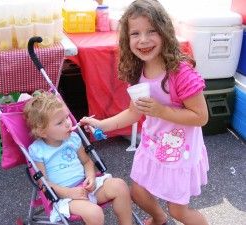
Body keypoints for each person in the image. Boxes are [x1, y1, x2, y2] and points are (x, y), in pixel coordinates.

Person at [80, 0, 209, 225]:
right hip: (153, 146)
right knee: (138, 192)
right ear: (126, 39)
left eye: (152, 31)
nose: (143, 40)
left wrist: (161, 111)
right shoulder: (139, 70)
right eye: (135, 33)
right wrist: (100, 124)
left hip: (179, 153)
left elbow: (201, 117)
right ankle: (159, 218)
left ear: (165, 32)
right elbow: (132, 113)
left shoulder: (180, 73)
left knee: (179, 211)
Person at [23, 92, 133, 225]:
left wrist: (91, 176)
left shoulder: (73, 139)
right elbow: (44, 183)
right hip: (65, 198)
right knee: (95, 213)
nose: (68, 124)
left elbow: (86, 161)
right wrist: (69, 193)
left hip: (86, 187)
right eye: (60, 122)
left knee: (120, 186)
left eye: (67, 118)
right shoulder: (38, 150)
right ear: (42, 132)